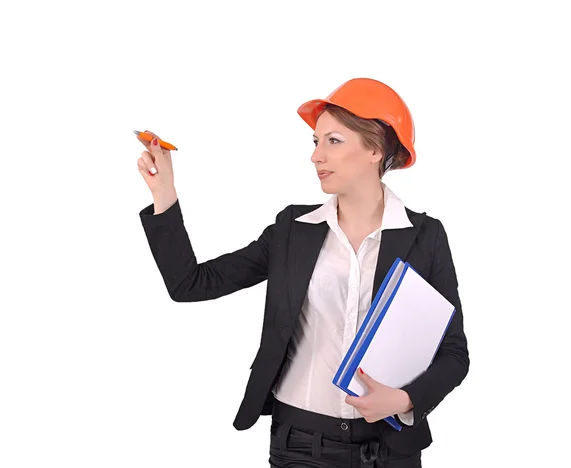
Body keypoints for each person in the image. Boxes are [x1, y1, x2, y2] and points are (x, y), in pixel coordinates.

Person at [137, 77, 469, 467]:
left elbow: (454, 352)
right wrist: (165, 194)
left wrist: (405, 399)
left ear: (375, 149)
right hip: (300, 446)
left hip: (389, 449)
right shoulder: (293, 230)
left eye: (333, 141)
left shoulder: (425, 237)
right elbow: (190, 284)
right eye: (316, 142)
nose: (316, 156)